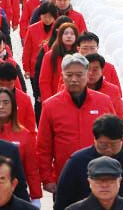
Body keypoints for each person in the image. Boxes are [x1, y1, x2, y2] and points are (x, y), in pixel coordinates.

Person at [38, 53, 116, 192]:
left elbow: (115, 138)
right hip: (65, 176)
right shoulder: (50, 105)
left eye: (79, 75)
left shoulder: (103, 101)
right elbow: (43, 146)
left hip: (100, 177)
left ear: (87, 75)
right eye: (69, 75)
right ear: (62, 76)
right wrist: (47, 178)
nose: (74, 79)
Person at [0, 86, 42, 205]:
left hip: (16, 194)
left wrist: (36, 196)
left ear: (13, 106)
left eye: (6, 102)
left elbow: (32, 169)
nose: (1, 106)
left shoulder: (24, 134)